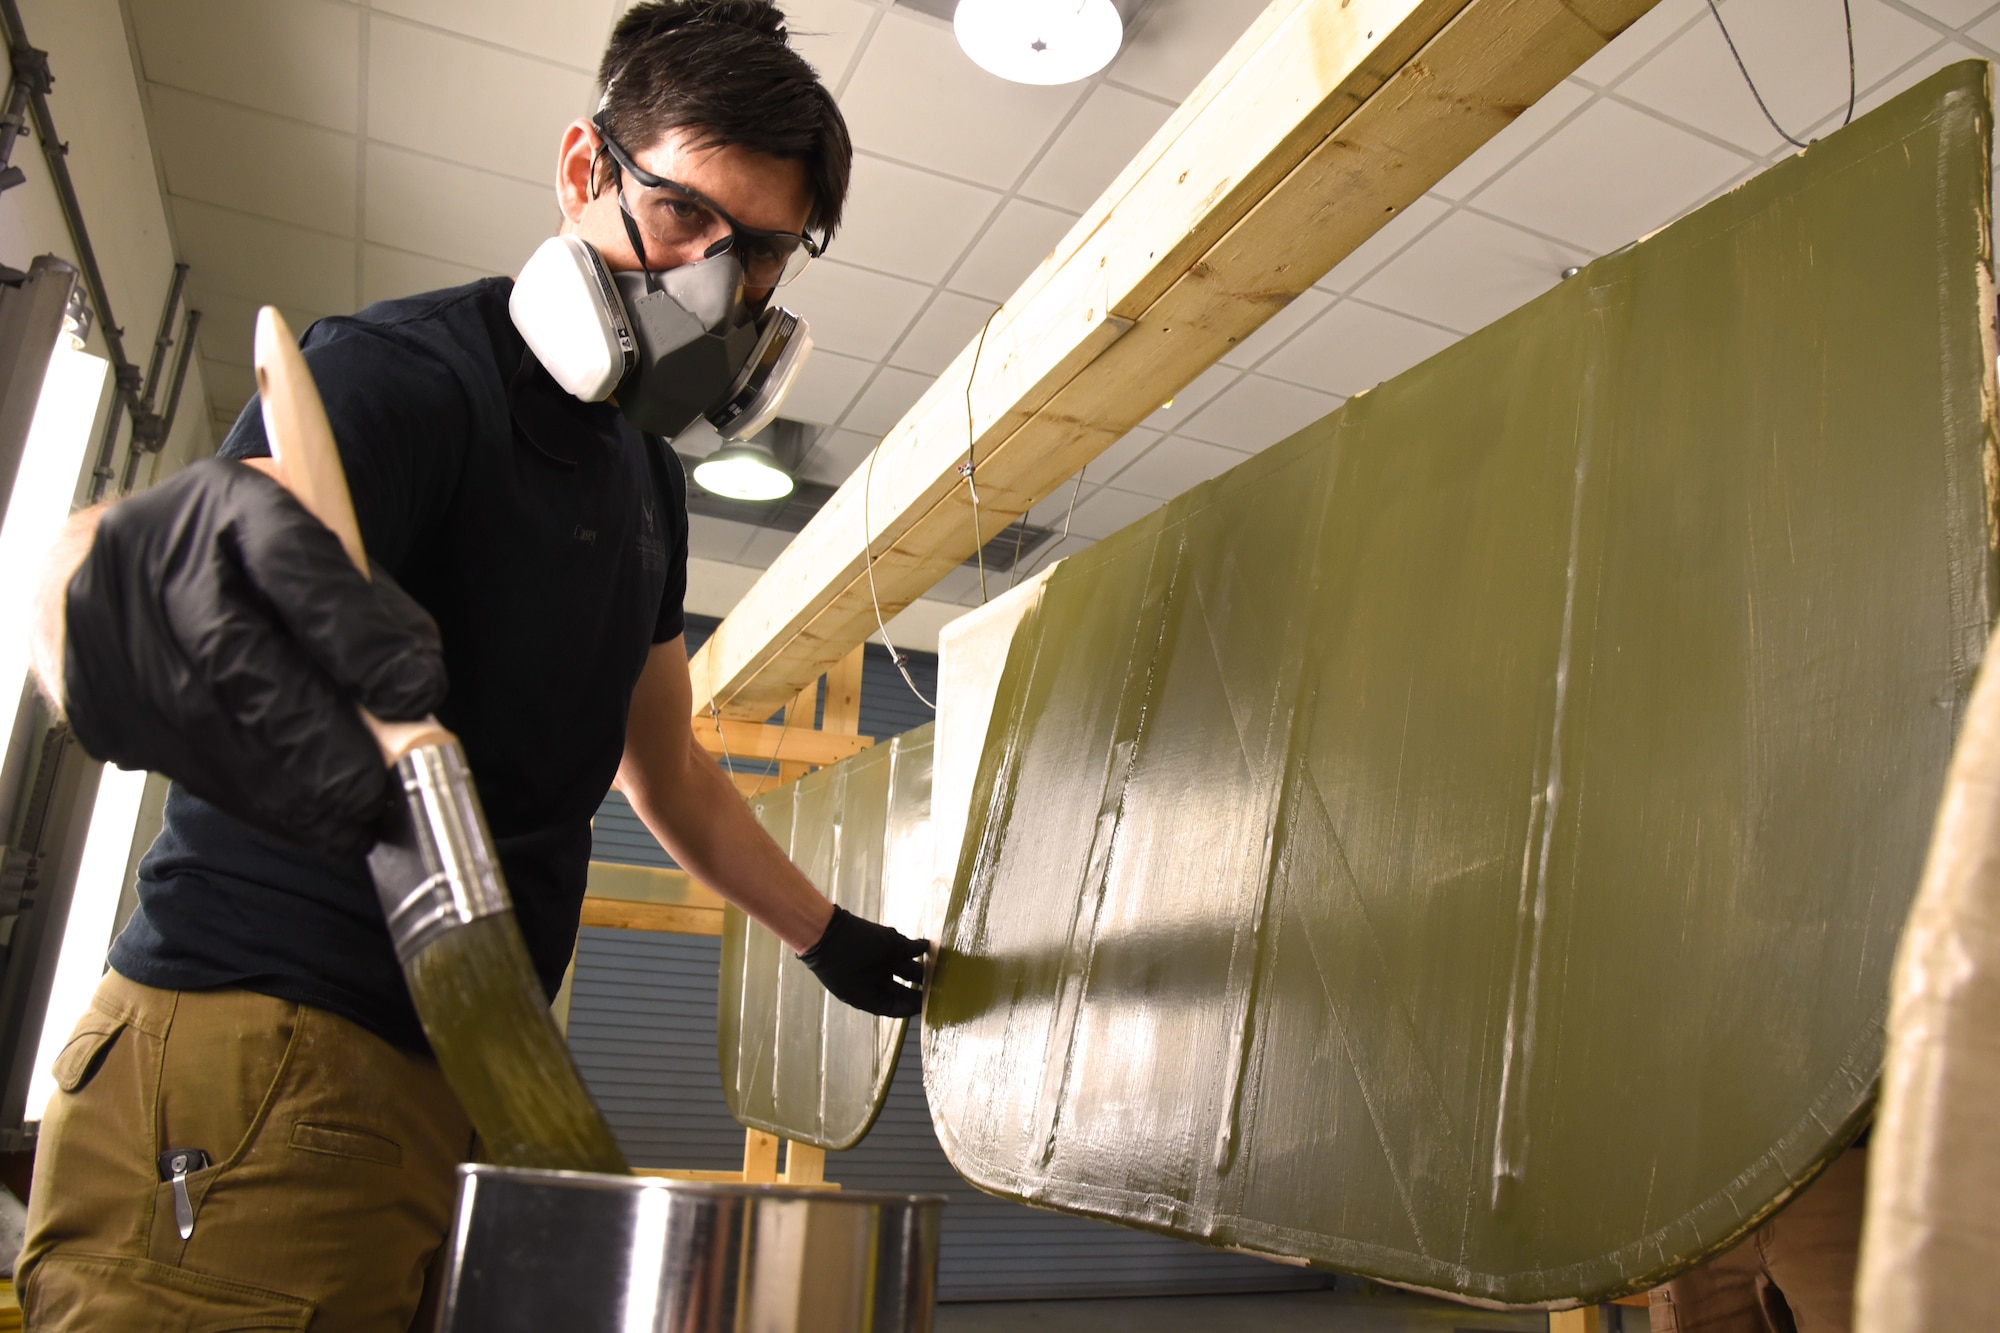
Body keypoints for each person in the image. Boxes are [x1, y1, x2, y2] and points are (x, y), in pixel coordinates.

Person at [14, 3, 924, 1326]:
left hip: (465, 1063)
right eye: (683, 221)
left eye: (762, 256)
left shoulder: (646, 488)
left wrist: (828, 937)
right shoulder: (409, 380)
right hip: (261, 1053)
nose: (713, 289)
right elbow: (154, 551)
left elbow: (663, 767)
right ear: (582, 171)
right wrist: (105, 580)